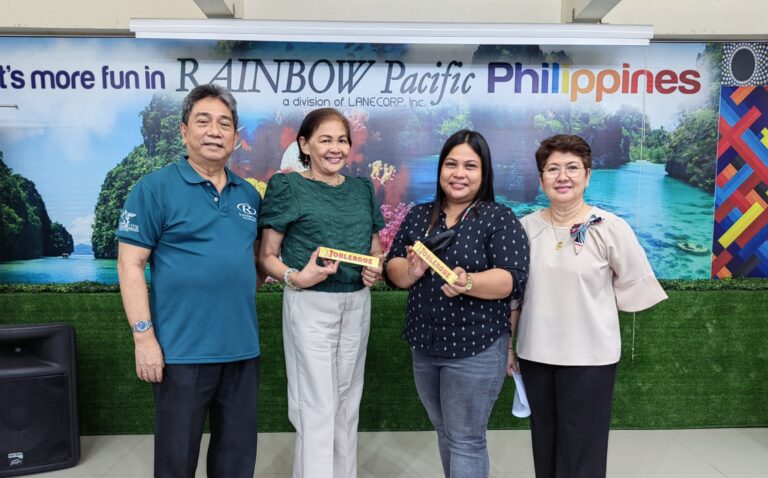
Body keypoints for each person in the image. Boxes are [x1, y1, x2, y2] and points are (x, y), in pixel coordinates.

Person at [116, 84, 262, 478]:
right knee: (176, 462)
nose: (214, 131)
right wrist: (144, 338)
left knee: (236, 461)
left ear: (235, 136)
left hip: (242, 352)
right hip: (180, 353)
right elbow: (130, 265)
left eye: (224, 123)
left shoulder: (249, 194)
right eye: (203, 121)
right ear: (184, 131)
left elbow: (256, 262)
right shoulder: (154, 188)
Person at [508, 134, 668, 478]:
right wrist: (509, 346)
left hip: (590, 359)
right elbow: (514, 296)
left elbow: (634, 284)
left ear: (588, 175)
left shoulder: (610, 228)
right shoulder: (525, 228)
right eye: (553, 169)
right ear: (541, 178)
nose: (562, 176)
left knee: (583, 453)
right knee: (545, 445)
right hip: (535, 354)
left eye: (571, 168)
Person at [385, 130, 529, 478]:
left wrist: (469, 282)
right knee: (446, 431)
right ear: (440, 169)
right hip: (425, 344)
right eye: (451, 164)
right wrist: (412, 270)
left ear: (484, 173)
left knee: (466, 439)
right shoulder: (419, 215)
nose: (458, 173)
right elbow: (392, 270)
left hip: (476, 347)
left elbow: (512, 279)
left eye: (470, 165)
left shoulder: (498, 218)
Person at [257, 108, 385, 478]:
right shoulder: (288, 186)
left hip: (357, 304)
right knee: (316, 406)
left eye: (342, 140)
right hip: (309, 304)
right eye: (325, 139)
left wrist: (373, 267)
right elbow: (267, 257)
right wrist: (299, 277)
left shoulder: (362, 189)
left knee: (347, 404)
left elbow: (375, 249)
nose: (335, 148)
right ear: (304, 144)